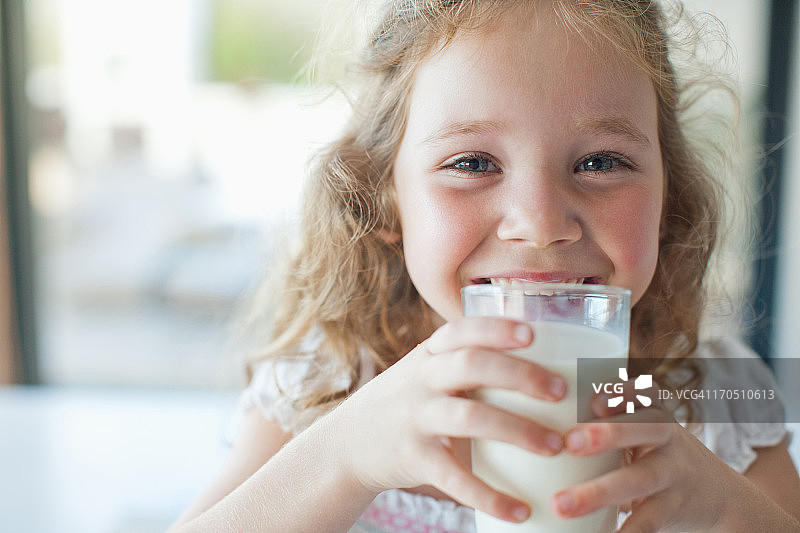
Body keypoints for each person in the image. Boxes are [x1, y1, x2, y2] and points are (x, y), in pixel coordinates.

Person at [170, 0, 800, 531]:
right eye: (472, 163)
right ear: (384, 198)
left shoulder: (702, 393)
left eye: (602, 162)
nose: (541, 223)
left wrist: (735, 512)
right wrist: (344, 457)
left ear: (669, 195)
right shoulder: (333, 382)